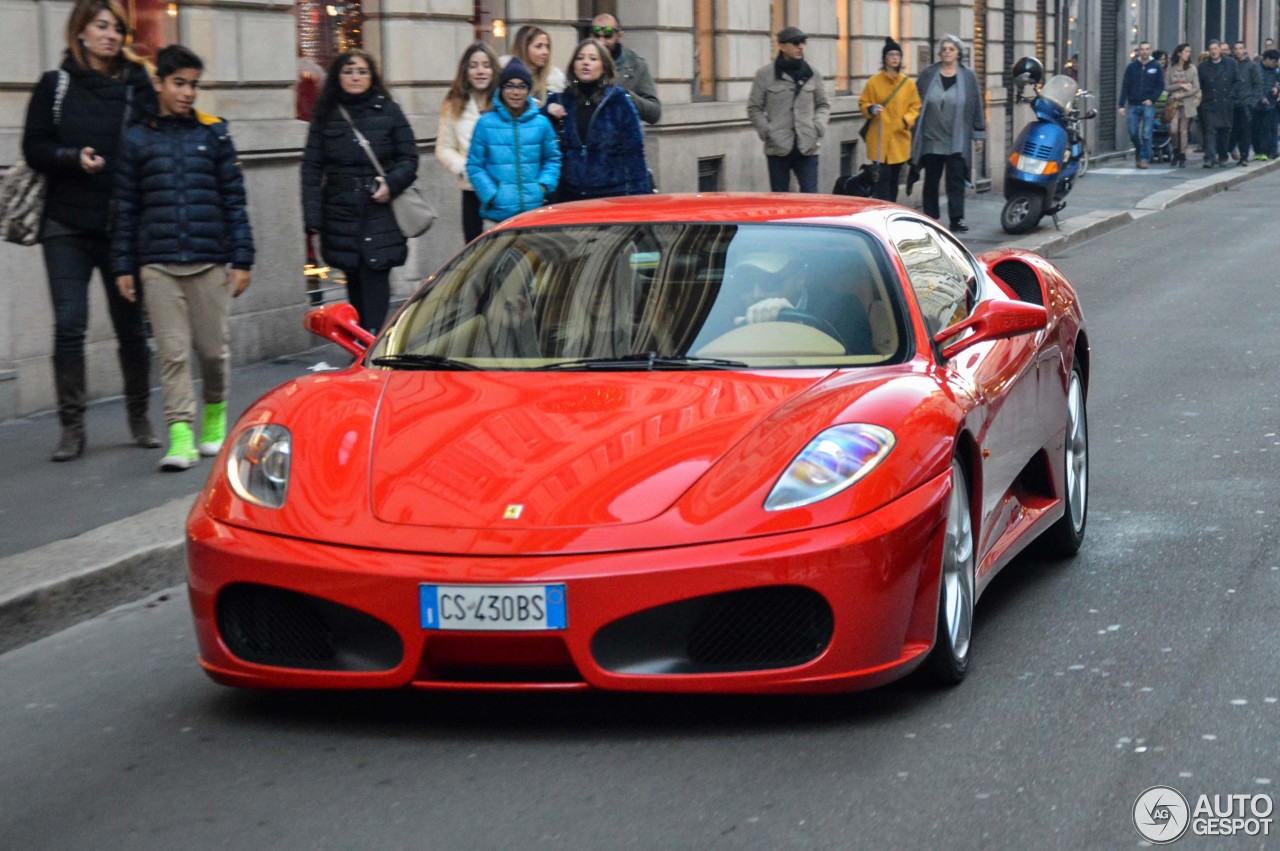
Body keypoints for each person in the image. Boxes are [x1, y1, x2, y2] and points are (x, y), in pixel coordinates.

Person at [20, 0, 160, 461]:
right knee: (70, 325)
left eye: (117, 28)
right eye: (101, 26)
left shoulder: (137, 84)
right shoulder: (55, 85)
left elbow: (150, 144)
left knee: (131, 329)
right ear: (79, 31)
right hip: (65, 224)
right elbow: (34, 145)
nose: (110, 35)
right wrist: (70, 158)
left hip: (121, 225)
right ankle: (72, 427)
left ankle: (139, 416)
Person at [111, 45, 254, 471]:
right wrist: (123, 265)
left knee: (213, 352)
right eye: (179, 83)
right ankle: (180, 435)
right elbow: (125, 208)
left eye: (193, 84)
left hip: (209, 260)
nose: (188, 92)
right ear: (159, 84)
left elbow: (234, 201)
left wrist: (242, 258)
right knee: (172, 353)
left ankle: (214, 416)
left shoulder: (214, 135)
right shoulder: (137, 138)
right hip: (157, 263)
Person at [302, 49, 418, 333]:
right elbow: (312, 168)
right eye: (348, 71)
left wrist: (391, 183)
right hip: (340, 210)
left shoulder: (388, 110)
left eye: (362, 72)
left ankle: (370, 347)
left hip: (379, 210)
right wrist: (312, 219)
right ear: (338, 76)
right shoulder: (326, 115)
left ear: (372, 76)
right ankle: (362, 350)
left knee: (376, 277)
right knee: (353, 280)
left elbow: (409, 157)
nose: (355, 77)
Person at [544, 39, 652, 201]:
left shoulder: (618, 101)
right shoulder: (560, 100)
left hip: (612, 195)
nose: (585, 63)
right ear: (573, 65)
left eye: (593, 59)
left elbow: (634, 153)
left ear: (604, 67)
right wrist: (546, 111)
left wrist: (640, 197)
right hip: (570, 196)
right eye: (580, 58)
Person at [466, 59, 561, 227]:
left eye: (521, 86)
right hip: (496, 216)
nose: (515, 92)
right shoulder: (485, 123)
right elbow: (475, 165)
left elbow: (552, 159)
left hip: (534, 214)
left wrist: (543, 187)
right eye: (510, 86)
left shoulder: (541, 123)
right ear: (501, 89)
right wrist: (492, 194)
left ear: (528, 90)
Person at [909, 35, 985, 232]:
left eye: (951, 49)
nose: (948, 52)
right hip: (931, 136)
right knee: (931, 180)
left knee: (955, 180)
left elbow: (976, 104)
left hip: (956, 137)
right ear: (940, 53)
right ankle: (930, 217)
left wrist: (978, 134)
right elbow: (915, 102)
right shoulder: (928, 74)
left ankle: (957, 218)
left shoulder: (968, 77)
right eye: (944, 49)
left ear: (958, 52)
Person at [722, 259, 872, 354]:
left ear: (800, 279)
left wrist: (797, 329)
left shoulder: (841, 308)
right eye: (746, 284)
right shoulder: (723, 310)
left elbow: (858, 367)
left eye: (769, 282)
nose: (756, 294)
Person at [747, 26, 830, 193]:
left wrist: (818, 127)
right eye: (795, 43)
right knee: (779, 200)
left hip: (808, 145)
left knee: (810, 197)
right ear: (782, 46)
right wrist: (767, 131)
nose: (800, 47)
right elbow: (754, 107)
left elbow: (823, 104)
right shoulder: (765, 74)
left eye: (803, 43)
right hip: (778, 146)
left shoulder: (812, 73)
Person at [436, 43, 498, 244]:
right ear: (465, 70)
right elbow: (444, 148)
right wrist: (466, 168)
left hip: (504, 188)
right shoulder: (454, 102)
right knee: (474, 250)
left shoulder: (505, 101)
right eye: (474, 65)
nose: (480, 71)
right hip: (472, 190)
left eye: (486, 65)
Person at [858, 37, 921, 202]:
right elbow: (863, 102)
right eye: (891, 54)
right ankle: (883, 209)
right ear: (884, 58)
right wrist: (871, 109)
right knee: (881, 180)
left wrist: (906, 121)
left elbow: (915, 106)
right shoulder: (874, 82)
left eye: (898, 55)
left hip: (899, 139)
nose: (894, 58)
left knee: (893, 180)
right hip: (879, 140)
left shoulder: (908, 84)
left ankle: (890, 208)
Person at [589, 13, 662, 124]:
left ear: (619, 36)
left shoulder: (636, 65)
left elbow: (654, 112)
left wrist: (626, 96)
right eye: (596, 35)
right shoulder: (581, 62)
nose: (601, 41)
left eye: (608, 35)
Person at [1118, 41, 1164, 168]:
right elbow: (1125, 86)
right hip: (1133, 103)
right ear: (1138, 51)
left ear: (1150, 50)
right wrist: (1121, 104)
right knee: (1132, 132)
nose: (1144, 52)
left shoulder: (1156, 66)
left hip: (1148, 104)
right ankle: (1139, 149)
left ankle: (1144, 158)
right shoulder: (1132, 67)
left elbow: (1160, 86)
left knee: (1147, 132)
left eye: (1147, 49)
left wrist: (1152, 99)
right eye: (1142, 49)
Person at [1199, 41, 1236, 166]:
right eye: (1211, 49)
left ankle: (1223, 155)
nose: (1213, 51)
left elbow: (1237, 81)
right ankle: (1209, 157)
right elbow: (1200, 84)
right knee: (1210, 130)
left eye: (1215, 48)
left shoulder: (1231, 64)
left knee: (1224, 131)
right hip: (1210, 102)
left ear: (1220, 50)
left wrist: (1233, 95)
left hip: (1225, 101)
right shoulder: (1203, 66)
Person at [509, 25, 566, 107]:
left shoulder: (554, 84)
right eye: (539, 46)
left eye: (547, 47)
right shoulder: (506, 82)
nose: (545, 52)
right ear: (523, 48)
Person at [1163, 43, 1200, 168]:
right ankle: (1175, 149)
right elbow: (1167, 87)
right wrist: (1181, 86)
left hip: (1186, 103)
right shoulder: (1171, 68)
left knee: (1183, 130)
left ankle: (1182, 155)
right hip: (1173, 103)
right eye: (1186, 51)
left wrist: (1183, 95)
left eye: (1189, 52)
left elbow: (1196, 88)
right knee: (1173, 129)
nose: (1188, 54)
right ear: (1179, 53)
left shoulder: (1192, 68)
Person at [1230, 41, 1264, 164]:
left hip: (1246, 103)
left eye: (1240, 48)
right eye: (1236, 48)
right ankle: (1230, 150)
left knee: (1245, 131)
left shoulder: (1252, 65)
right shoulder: (1231, 64)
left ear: (1245, 50)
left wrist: (1253, 101)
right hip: (1232, 103)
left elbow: (1258, 84)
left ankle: (1244, 156)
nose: (1238, 51)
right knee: (1233, 130)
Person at [1254, 49, 1280, 160]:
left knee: (1269, 128)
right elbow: (1255, 85)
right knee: (1257, 129)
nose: (1275, 64)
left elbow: (1278, 82)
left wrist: (1277, 88)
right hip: (1257, 104)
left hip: (1271, 104)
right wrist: (1261, 97)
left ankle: (1268, 151)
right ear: (1267, 59)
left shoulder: (1275, 70)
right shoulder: (1256, 69)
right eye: (1273, 61)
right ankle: (1259, 151)